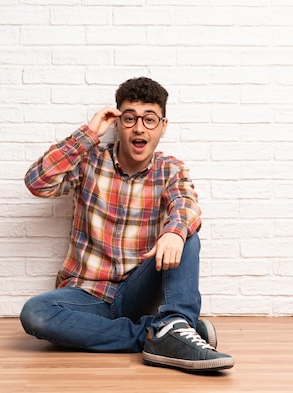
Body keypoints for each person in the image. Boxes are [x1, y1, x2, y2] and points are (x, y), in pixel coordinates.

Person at [19, 77, 234, 372]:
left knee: (187, 234)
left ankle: (172, 323)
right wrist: (89, 133)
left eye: (149, 119)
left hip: (138, 290)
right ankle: (161, 333)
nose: (139, 127)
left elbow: (186, 204)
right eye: (130, 118)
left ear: (163, 126)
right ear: (118, 124)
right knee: (37, 313)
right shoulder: (89, 161)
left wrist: (174, 232)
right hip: (88, 294)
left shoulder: (170, 170)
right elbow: (37, 183)